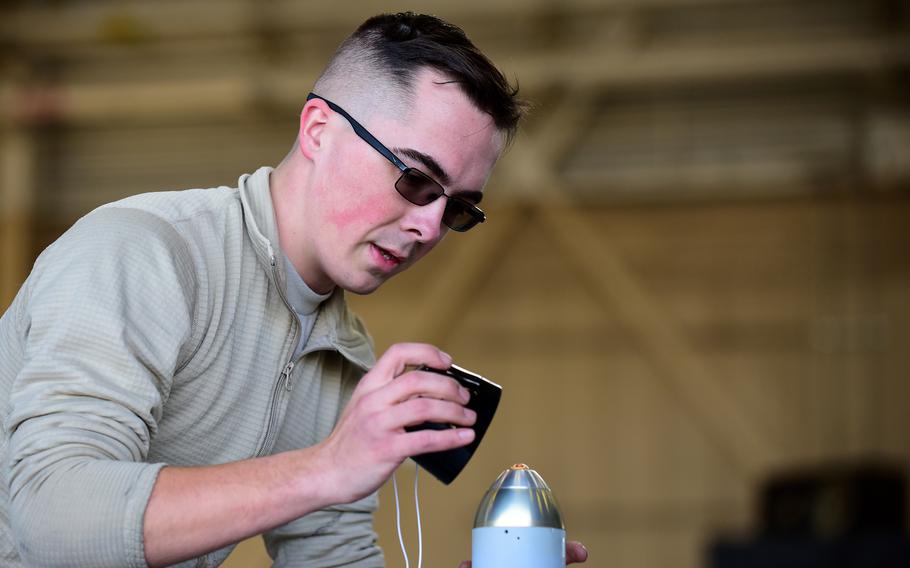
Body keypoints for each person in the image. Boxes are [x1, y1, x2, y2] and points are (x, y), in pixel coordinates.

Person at [0, 12, 588, 568]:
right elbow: (53, 516)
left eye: (457, 210)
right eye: (413, 180)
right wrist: (328, 466)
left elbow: (330, 556)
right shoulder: (142, 253)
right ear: (318, 129)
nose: (429, 228)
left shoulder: (344, 351)